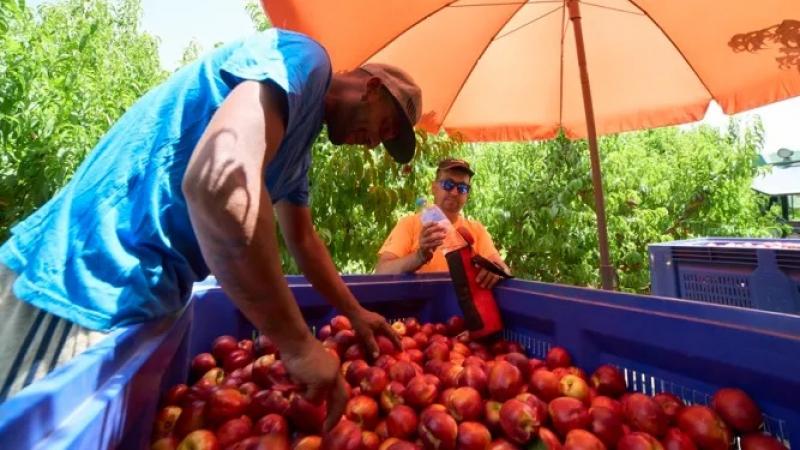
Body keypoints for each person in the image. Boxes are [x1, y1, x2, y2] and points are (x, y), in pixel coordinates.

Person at [0, 28, 422, 430]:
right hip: (82, 278)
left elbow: (304, 240)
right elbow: (220, 179)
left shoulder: (296, 152)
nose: (374, 144)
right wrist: (298, 345)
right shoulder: (306, 59)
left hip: (143, 299)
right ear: (373, 89)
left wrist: (354, 310)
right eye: (385, 128)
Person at [375, 158, 510, 287]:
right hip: (418, 307)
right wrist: (420, 256)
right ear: (434, 187)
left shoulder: (477, 230)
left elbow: (503, 269)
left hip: (461, 308)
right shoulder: (409, 224)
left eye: (462, 188)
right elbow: (382, 271)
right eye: (448, 184)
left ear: (467, 194)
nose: (454, 192)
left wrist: (495, 271)